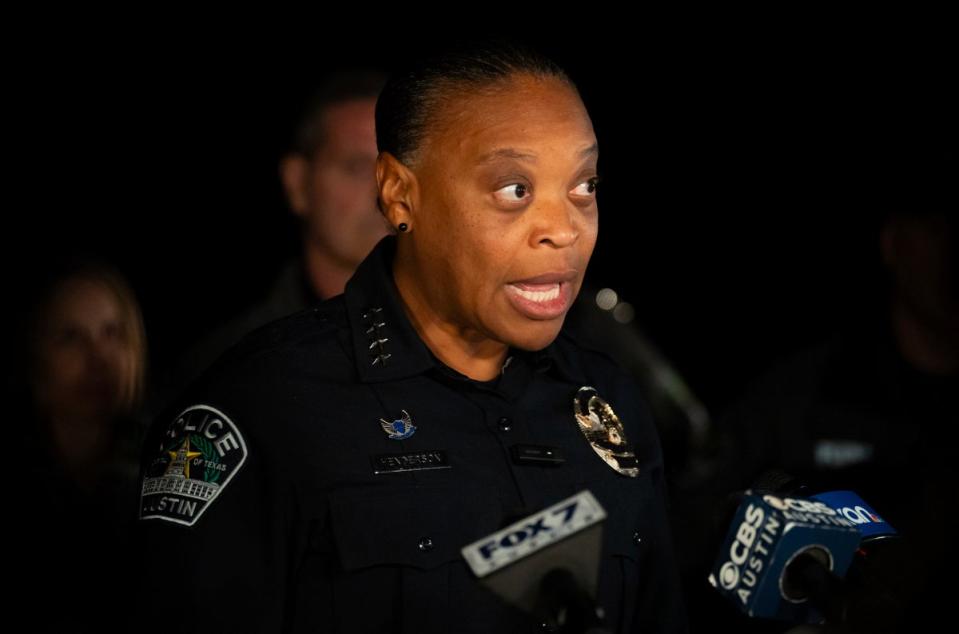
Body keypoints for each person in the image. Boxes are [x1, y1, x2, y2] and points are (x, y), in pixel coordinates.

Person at [133, 39, 687, 633]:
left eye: (584, 186)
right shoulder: (265, 409)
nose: (563, 229)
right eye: (514, 191)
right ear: (400, 194)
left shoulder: (611, 402)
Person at [172, 69, 391, 389]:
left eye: (394, 168)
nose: (383, 192)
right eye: (356, 167)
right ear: (297, 183)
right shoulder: (235, 365)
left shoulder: (464, 346)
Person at [11, 257, 150, 633]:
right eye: (71, 338)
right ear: (34, 353)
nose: (99, 358)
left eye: (112, 333)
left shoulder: (161, 464)